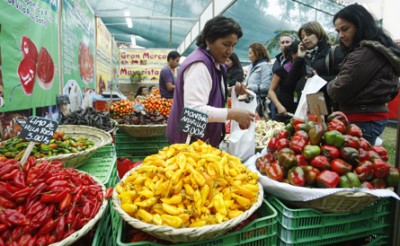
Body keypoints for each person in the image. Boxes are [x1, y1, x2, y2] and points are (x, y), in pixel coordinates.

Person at [166, 16, 255, 148]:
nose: (230, 51)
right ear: (209, 40)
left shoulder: (213, 62)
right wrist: (232, 114)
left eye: (233, 45)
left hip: (199, 140)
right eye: (226, 44)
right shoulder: (199, 65)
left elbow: (209, 90)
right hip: (190, 144)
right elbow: (194, 110)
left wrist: (231, 90)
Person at [327, 4, 400, 145]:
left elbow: (339, 90)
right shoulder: (374, 49)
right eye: (338, 31)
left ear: (360, 26)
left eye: (345, 29)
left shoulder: (365, 53)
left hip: (362, 119)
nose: (341, 35)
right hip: (368, 117)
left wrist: (332, 83)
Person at [288, 21, 343, 114]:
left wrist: (318, 80)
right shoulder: (306, 55)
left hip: (325, 105)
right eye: (302, 37)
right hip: (304, 105)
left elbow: (341, 79)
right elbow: (290, 81)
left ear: (318, 33)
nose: (305, 39)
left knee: (320, 127)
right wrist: (299, 58)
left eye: (308, 34)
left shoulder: (333, 52)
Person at [268, 41, 300, 123]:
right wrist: (279, 106)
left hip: (299, 111)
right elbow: (271, 91)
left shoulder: (305, 69)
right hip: (283, 111)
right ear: (293, 54)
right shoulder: (282, 70)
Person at [243, 43, 272, 119]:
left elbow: (266, 86)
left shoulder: (265, 66)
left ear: (257, 53)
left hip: (259, 102)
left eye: (250, 53)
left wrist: (250, 87)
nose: (248, 55)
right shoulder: (251, 66)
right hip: (249, 100)